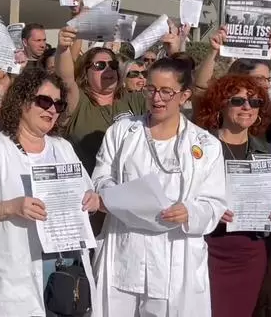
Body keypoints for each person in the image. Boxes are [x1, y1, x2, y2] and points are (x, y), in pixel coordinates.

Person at [0, 67, 99, 316]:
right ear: (22, 101)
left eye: (58, 104)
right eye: (44, 101)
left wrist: (92, 200)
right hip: (14, 279)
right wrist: (11, 207)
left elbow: (87, 194)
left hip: (63, 276)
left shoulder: (63, 148)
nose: (52, 109)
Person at [92, 58, 227, 316]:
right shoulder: (122, 132)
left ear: (185, 95)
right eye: (151, 89)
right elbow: (101, 177)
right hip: (125, 250)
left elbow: (214, 202)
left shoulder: (206, 145)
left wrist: (190, 212)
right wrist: (115, 196)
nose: (157, 98)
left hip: (174, 253)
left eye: (167, 91)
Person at [194, 74, 271, 317]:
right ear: (221, 104)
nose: (247, 107)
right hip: (207, 249)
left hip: (251, 253)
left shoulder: (267, 150)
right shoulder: (199, 146)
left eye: (255, 103)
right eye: (238, 101)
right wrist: (210, 211)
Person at [56, 28, 147, 174]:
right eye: (100, 66)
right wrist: (62, 48)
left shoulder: (133, 99)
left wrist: (175, 49)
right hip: (90, 190)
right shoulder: (79, 100)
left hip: (132, 187)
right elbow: (65, 79)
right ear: (85, 73)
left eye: (113, 65)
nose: (108, 70)